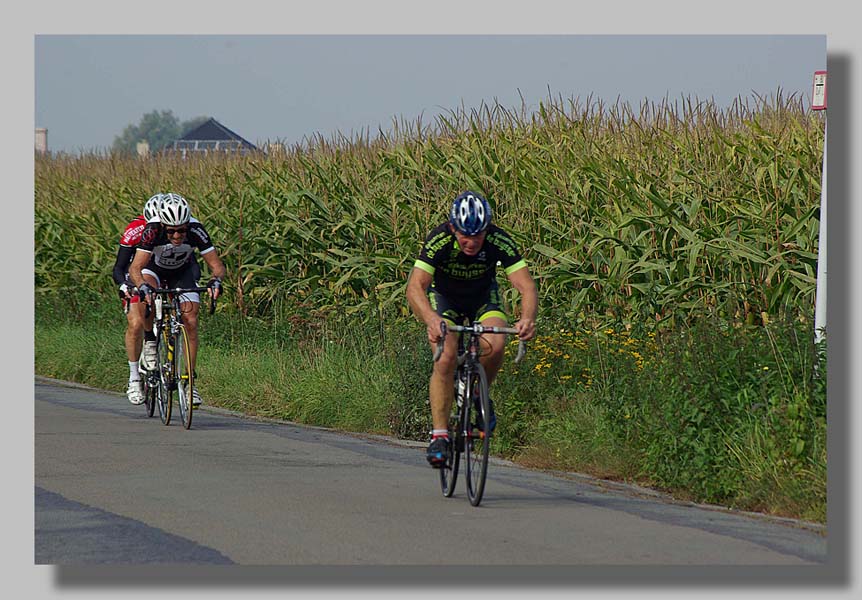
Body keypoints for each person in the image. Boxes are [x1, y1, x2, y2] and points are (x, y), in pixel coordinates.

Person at [406, 190, 538, 467]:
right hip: (445, 300)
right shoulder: (439, 239)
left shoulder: (498, 239)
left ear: (486, 229)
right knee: (445, 358)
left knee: (497, 344)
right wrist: (431, 319)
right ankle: (439, 436)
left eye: (478, 235)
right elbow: (415, 286)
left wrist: (527, 318)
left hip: (482, 298)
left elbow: (525, 285)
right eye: (465, 235)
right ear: (453, 228)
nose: (471, 241)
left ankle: (480, 394)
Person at [129, 192, 226, 407]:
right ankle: (151, 341)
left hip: (182, 272)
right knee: (148, 297)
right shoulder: (152, 230)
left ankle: (191, 383)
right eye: (171, 231)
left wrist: (216, 281)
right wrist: (142, 286)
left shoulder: (196, 229)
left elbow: (217, 266)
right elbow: (136, 268)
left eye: (181, 230)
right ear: (163, 226)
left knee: (190, 321)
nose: (176, 236)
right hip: (153, 270)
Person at [112, 193, 164, 404]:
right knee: (135, 324)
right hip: (135, 276)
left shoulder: (173, 232)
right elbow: (119, 267)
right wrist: (125, 286)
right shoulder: (135, 230)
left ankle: (156, 340)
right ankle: (134, 377)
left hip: (159, 275)